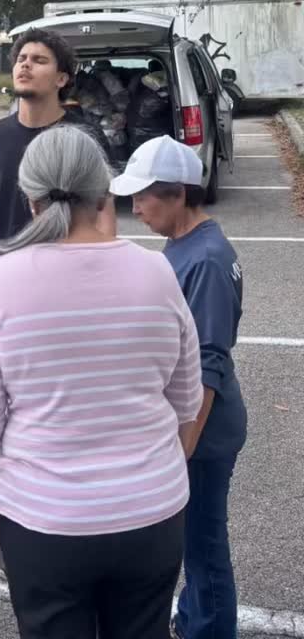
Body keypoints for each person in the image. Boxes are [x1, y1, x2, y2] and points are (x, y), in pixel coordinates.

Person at [0, 124, 204, 639]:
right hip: (151, 517)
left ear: (30, 199)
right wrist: (145, 477)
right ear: (104, 194)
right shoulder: (158, 273)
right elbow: (186, 403)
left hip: (45, 523)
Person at [111, 135, 247, 639]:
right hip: (194, 423)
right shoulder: (187, 243)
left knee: (204, 547)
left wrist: (182, 447)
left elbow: (208, 364)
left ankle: (209, 629)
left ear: (178, 194)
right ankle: (192, 620)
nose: (135, 207)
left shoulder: (205, 259)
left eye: (143, 196)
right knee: (195, 542)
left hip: (203, 432)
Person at [0, 27, 114, 323]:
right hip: (7, 282)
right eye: (21, 59)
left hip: (66, 286)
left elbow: (104, 213)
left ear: (61, 79)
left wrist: (102, 280)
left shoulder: (84, 137)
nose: (25, 65)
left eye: (39, 60)